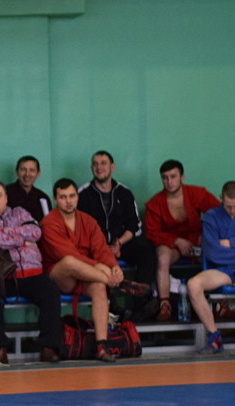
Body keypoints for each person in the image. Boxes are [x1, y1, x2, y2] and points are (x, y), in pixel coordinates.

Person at [0, 180, 63, 365]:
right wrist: (21, 238)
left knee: (50, 291)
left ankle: (49, 348)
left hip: (30, 273)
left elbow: (35, 232)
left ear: (6, 198)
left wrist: (5, 233)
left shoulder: (19, 212)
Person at [40, 179, 123, 363]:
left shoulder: (88, 220)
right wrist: (100, 268)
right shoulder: (49, 223)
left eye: (72, 196)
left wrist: (113, 266)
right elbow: (65, 254)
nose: (68, 201)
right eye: (63, 197)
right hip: (60, 276)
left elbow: (102, 250)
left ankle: (101, 346)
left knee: (99, 287)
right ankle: (117, 283)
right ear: (55, 199)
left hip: (87, 275)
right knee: (69, 261)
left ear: (77, 197)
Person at [144, 160, 219, 321]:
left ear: (182, 177)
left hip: (197, 242)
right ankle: (164, 305)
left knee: (217, 250)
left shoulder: (197, 193)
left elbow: (218, 214)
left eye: (173, 176)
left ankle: (221, 303)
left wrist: (206, 234)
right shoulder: (155, 203)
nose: (169, 182)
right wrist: (176, 240)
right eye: (165, 178)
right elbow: (152, 232)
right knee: (162, 258)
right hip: (172, 245)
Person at [76, 150, 155, 287]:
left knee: (148, 252)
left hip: (121, 244)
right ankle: (108, 299)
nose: (99, 167)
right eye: (95, 164)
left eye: (103, 163)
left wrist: (119, 243)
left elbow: (134, 225)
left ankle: (140, 295)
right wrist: (103, 248)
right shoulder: (83, 194)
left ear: (112, 167)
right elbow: (80, 228)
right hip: (95, 247)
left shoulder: (124, 193)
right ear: (91, 168)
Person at [187, 181, 235, 355]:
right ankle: (214, 336)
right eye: (229, 207)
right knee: (193, 285)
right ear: (221, 198)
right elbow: (213, 252)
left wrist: (230, 243)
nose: (233, 211)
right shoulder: (211, 217)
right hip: (223, 270)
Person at [6, 155, 52, 222]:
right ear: (17, 172)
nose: (27, 174)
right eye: (23, 170)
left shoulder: (43, 197)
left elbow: (48, 223)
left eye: (32, 170)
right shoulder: (5, 194)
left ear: (38, 173)